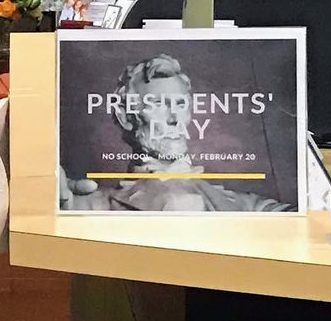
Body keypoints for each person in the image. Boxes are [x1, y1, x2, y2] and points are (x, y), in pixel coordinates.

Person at [96, 53, 289, 212]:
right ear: (124, 117)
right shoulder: (93, 205)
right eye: (156, 104)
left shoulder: (250, 207)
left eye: (181, 104)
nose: (174, 119)